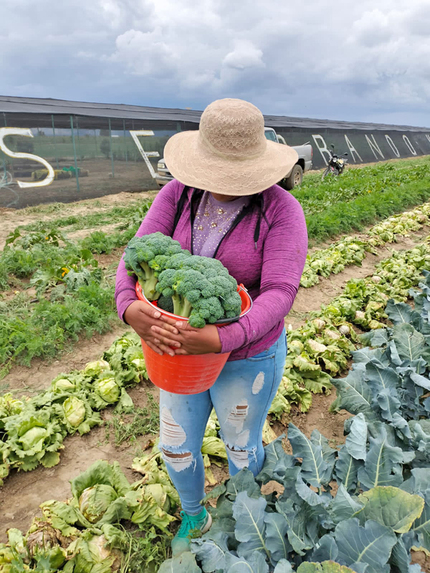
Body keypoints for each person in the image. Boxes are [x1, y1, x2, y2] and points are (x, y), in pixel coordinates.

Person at [115, 98, 308, 555]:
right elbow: (137, 251)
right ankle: (194, 514)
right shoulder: (177, 194)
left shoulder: (281, 211)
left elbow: (281, 291)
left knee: (241, 450)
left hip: (247, 356)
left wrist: (222, 336)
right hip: (176, 355)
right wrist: (128, 306)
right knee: (175, 445)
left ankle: (245, 519)